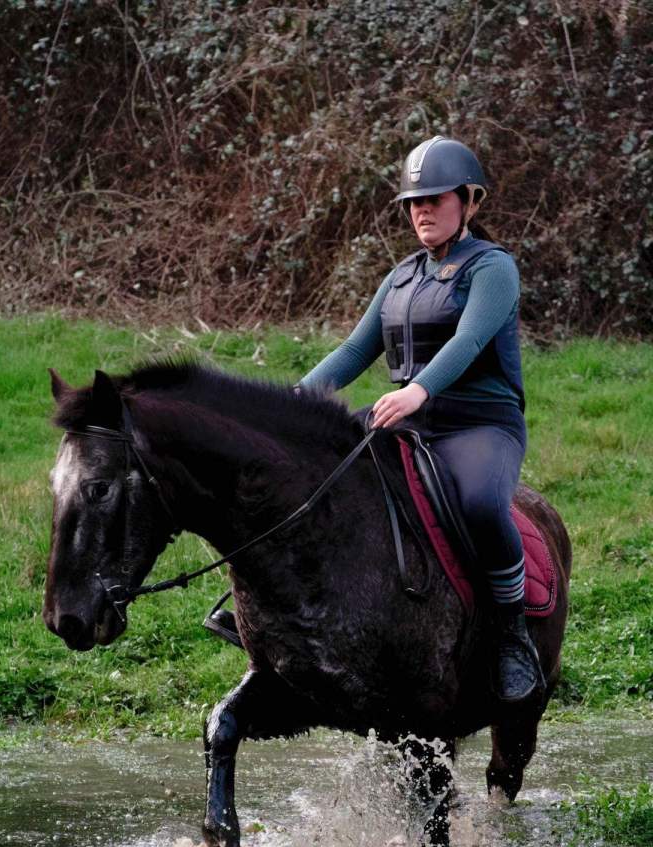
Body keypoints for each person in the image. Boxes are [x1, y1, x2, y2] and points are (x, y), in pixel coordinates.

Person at [207, 135, 544, 703]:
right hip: (406, 418)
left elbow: (468, 341)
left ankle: (512, 637)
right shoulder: (401, 278)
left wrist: (418, 390)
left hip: (480, 424)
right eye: (415, 201)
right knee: (304, 475)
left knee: (485, 504)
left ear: (469, 201)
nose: (423, 210)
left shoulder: (494, 270)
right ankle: (273, 616)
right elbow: (352, 353)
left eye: (436, 198)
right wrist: (287, 404)